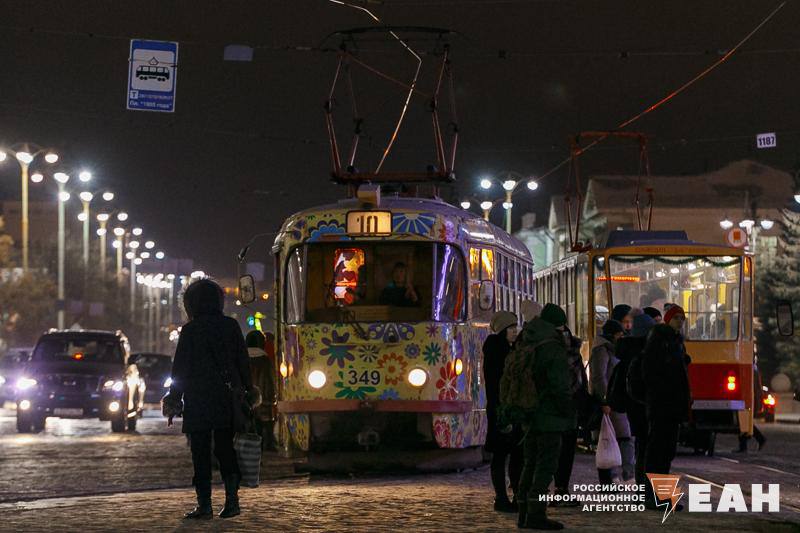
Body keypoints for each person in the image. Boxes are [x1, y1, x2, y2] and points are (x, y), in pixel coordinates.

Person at [166, 279, 256, 520]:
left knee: (200, 453)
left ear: (191, 304)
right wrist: (249, 390)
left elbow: (180, 369)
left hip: (198, 399)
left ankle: (204, 505)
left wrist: (174, 398)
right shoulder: (230, 326)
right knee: (226, 449)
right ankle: (232, 501)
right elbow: (242, 362)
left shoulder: (190, 330)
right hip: (227, 399)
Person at [515, 303, 575, 530]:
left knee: (529, 462)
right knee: (546, 465)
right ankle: (536, 514)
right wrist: (567, 410)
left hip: (529, 410)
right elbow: (560, 384)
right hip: (549, 413)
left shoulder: (527, 338)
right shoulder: (552, 346)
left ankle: (523, 512)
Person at [642, 305, 691, 509]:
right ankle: (656, 498)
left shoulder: (675, 341)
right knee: (659, 452)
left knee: (665, 452)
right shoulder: (661, 340)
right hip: (663, 404)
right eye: (676, 318)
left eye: (682, 318)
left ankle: (660, 497)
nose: (680, 321)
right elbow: (654, 372)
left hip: (671, 405)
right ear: (668, 320)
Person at [483, 311, 522, 513]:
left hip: (509, 409)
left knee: (514, 454)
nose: (515, 331)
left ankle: (514, 494)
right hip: (500, 409)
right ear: (502, 330)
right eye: (511, 328)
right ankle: (501, 497)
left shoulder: (511, 349)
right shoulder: (496, 350)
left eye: (516, 327)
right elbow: (495, 384)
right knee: (502, 454)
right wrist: (502, 410)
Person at [612, 313, 655, 491]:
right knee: (651, 450)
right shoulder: (646, 351)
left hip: (633, 405)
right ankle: (649, 490)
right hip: (646, 404)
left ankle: (642, 486)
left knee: (641, 446)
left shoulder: (626, 349)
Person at [590, 319, 634, 484]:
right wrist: (604, 400)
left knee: (621, 438)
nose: (622, 337)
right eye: (620, 334)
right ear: (614, 335)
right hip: (609, 402)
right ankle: (620, 477)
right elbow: (599, 377)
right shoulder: (601, 350)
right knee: (620, 439)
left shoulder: (612, 349)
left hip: (616, 400)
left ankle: (618, 476)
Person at [551, 323, 587, 507]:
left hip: (570, 408)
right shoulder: (554, 355)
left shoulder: (573, 354)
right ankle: (557, 490)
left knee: (565, 451)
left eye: (565, 334)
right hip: (557, 408)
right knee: (556, 452)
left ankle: (562, 489)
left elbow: (581, 381)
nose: (564, 337)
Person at [246, 330, 277, 451]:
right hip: (264, 397)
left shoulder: (242, 358)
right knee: (264, 424)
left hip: (247, 398)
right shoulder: (265, 360)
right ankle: (266, 445)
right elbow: (270, 379)